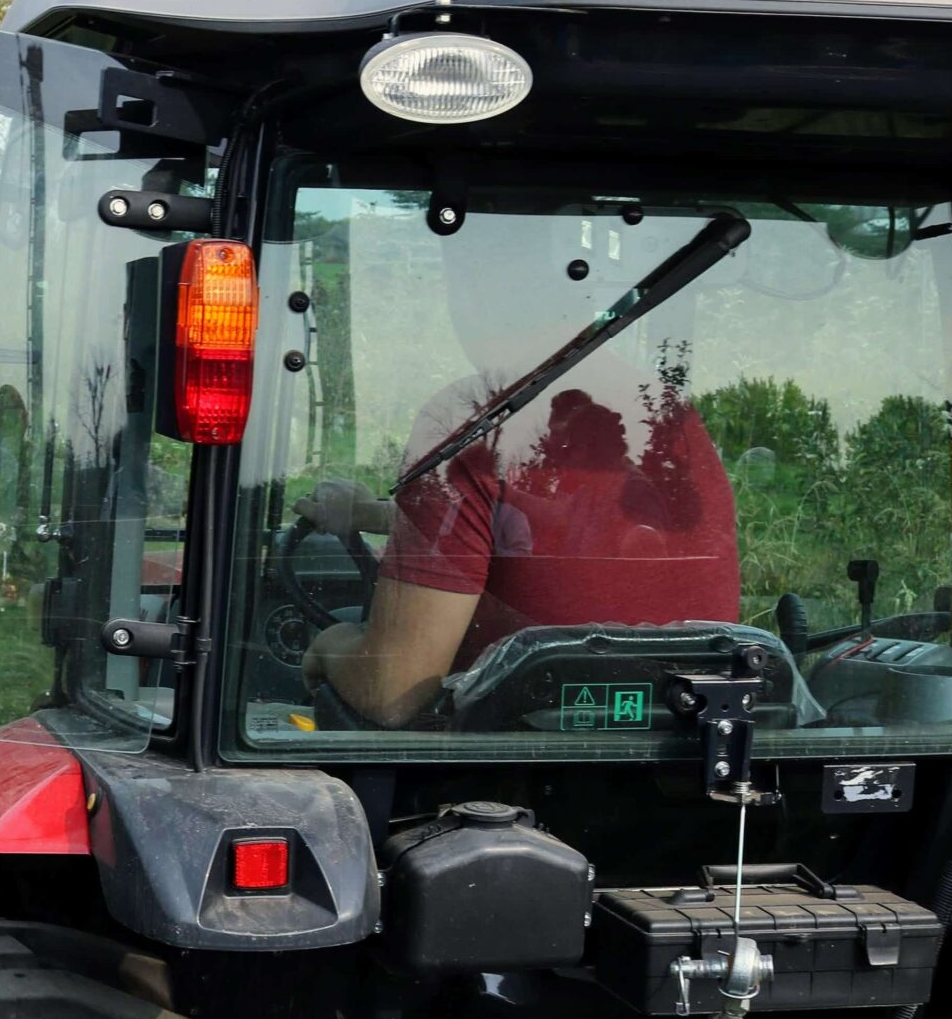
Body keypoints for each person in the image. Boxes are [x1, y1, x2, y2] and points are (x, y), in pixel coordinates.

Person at [299, 217, 741, 726]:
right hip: (683, 747)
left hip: (513, 765)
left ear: (472, 291)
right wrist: (372, 514)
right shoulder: (665, 414)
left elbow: (395, 692)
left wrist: (331, 646)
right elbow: (547, 531)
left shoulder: (476, 419)